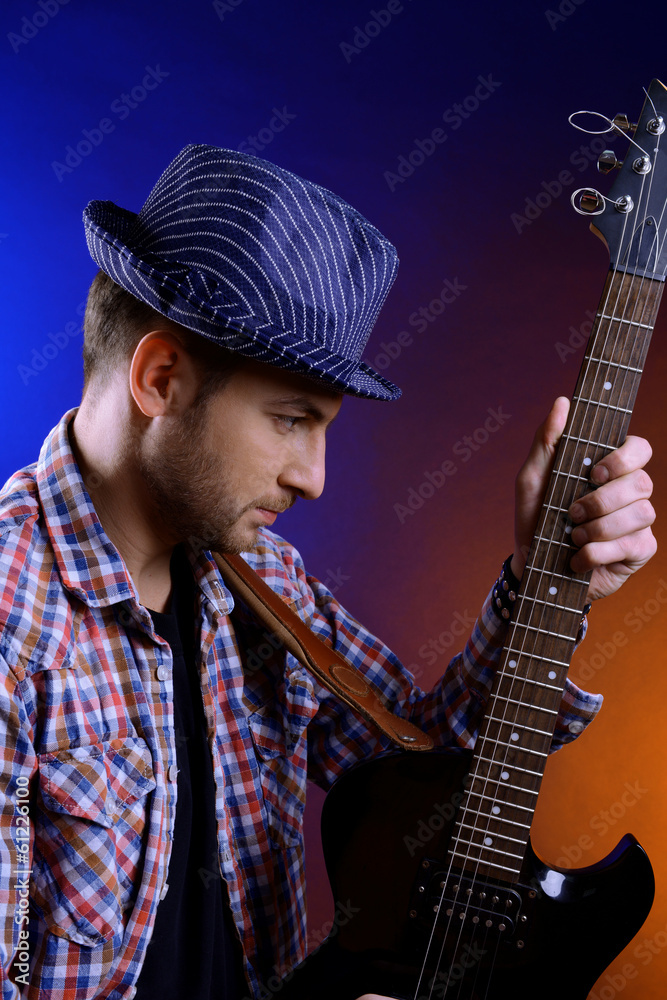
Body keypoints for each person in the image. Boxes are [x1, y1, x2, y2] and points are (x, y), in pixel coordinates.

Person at [0, 145, 655, 1000]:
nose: (314, 477)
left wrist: (543, 581)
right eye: (289, 420)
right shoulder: (14, 623)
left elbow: (427, 778)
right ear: (161, 378)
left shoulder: (261, 579)